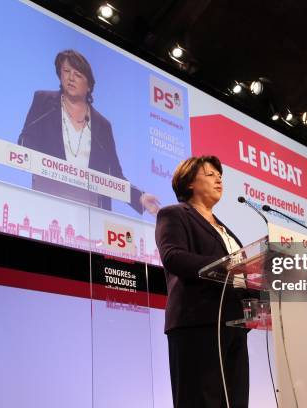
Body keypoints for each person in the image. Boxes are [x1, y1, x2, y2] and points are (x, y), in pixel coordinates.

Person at [155, 156, 250, 408]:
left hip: (233, 325)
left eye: (220, 175)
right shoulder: (174, 215)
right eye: (210, 174)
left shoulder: (226, 230)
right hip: (196, 324)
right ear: (189, 184)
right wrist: (226, 264)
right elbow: (173, 257)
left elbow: (240, 276)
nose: (219, 178)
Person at [18, 49, 159, 215]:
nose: (70, 78)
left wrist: (139, 197)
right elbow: (26, 141)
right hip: (49, 203)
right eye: (66, 71)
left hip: (91, 213)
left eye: (77, 74)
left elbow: (114, 174)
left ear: (89, 85)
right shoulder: (43, 102)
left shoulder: (102, 125)